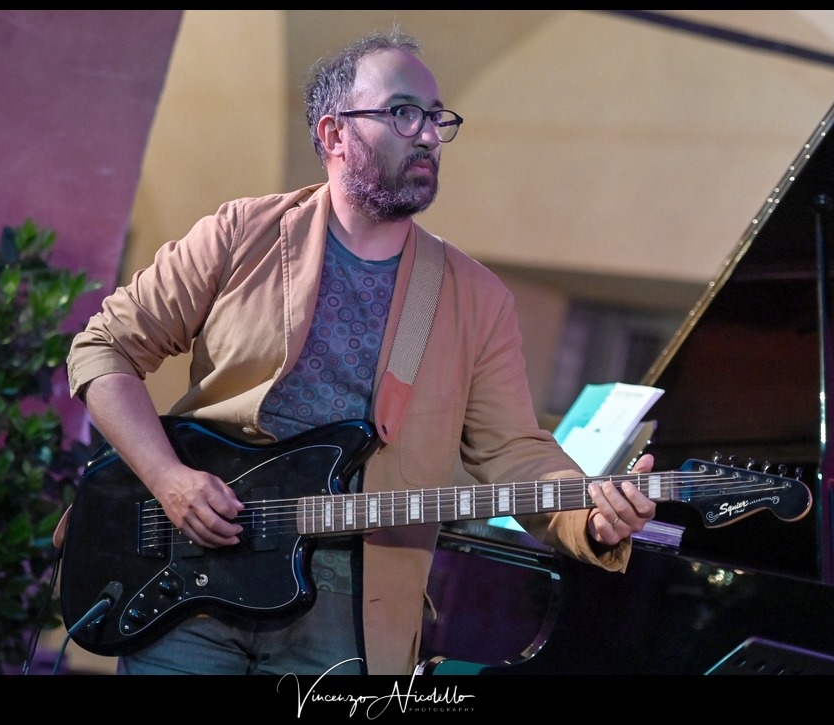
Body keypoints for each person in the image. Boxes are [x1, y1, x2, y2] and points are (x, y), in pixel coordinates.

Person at [65, 26, 656, 677]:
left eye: (437, 118)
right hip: (191, 584)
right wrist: (167, 478)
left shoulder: (477, 299)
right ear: (333, 135)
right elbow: (105, 349)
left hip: (350, 614)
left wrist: (592, 513)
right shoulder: (243, 233)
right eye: (404, 112)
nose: (428, 134)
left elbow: (513, 451)